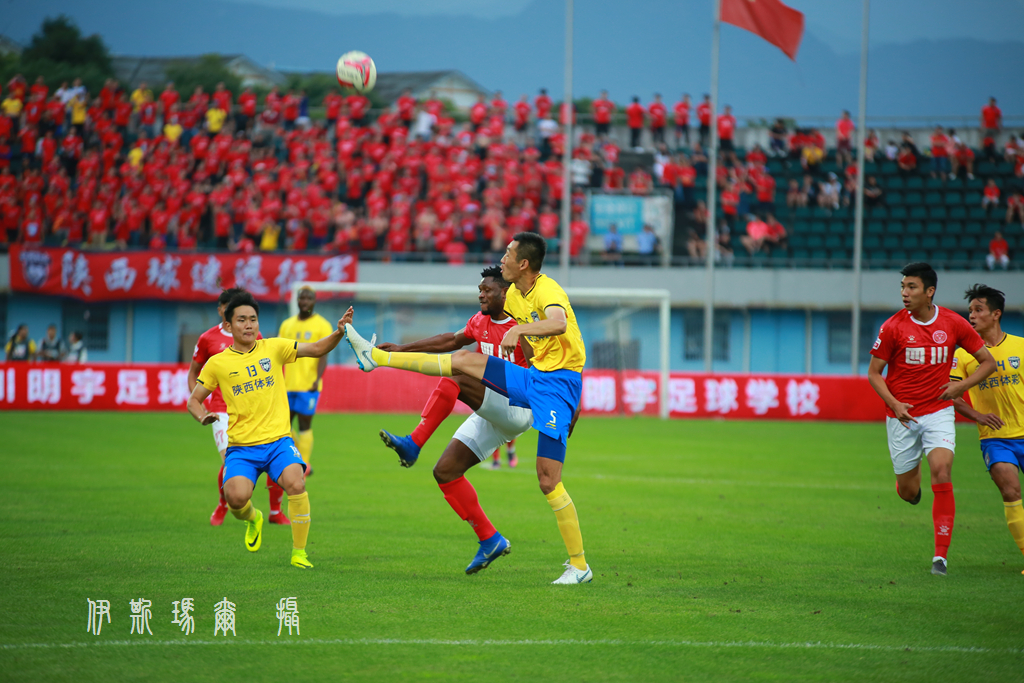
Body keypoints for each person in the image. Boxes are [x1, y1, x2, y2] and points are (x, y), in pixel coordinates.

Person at [345, 232, 593, 585]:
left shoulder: (547, 290)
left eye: (508, 254)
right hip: (531, 380)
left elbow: (559, 323)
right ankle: (377, 358)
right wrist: (401, 347)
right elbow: (453, 339)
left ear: (523, 263)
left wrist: (520, 331)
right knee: (462, 364)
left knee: (548, 480)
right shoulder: (512, 298)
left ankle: (580, 566)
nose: (502, 259)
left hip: (557, 388)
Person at [375, 265, 534, 561]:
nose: (481, 295)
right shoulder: (479, 321)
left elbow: (546, 368)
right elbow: (450, 340)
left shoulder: (522, 326)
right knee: (445, 472)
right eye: (479, 290)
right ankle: (490, 540)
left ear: (505, 292)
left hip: (517, 407)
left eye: (487, 290)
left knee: (458, 371)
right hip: (492, 411)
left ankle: (414, 443)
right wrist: (401, 348)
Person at [187, 291, 353, 570]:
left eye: (253, 319)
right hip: (242, 447)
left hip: (278, 442)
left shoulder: (274, 347)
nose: (249, 325)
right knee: (235, 499)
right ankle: (254, 518)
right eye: (241, 320)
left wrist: (339, 332)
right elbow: (194, 400)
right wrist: (203, 416)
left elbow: (316, 349)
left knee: (297, 483)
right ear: (228, 325)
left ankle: (299, 553)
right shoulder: (218, 363)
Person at [867, 262, 996, 576]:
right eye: (903, 287)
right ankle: (910, 491)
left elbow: (987, 363)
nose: (905, 293)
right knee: (908, 491)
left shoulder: (952, 323)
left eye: (911, 287)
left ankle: (940, 558)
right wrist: (895, 404)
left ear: (929, 291)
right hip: (902, 417)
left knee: (941, 469)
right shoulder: (892, 327)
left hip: (938, 411)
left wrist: (960, 387)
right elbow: (874, 373)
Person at [188, 288, 288, 527]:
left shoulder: (254, 335)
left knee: (276, 456)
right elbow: (194, 373)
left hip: (253, 409)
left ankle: (275, 511)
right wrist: (200, 404)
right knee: (230, 461)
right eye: (230, 309)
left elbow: (265, 363)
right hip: (221, 411)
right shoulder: (207, 339)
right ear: (222, 311)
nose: (245, 321)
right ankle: (225, 504)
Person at [949, 285, 1024, 572]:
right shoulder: (963, 355)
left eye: (978, 310)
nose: (971, 315)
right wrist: (977, 415)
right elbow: (953, 394)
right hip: (996, 439)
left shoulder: (1020, 346)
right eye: (970, 310)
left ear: (996, 314)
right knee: (1010, 491)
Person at [278, 287, 335, 477]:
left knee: (304, 425)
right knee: (283, 426)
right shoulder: (287, 325)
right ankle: (296, 458)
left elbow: (323, 356)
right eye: (301, 298)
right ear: (297, 300)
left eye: (308, 298)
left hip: (308, 385)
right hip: (287, 384)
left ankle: (305, 465)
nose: (304, 301)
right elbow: (278, 353)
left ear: (314, 301)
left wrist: (317, 379)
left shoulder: (322, 325)